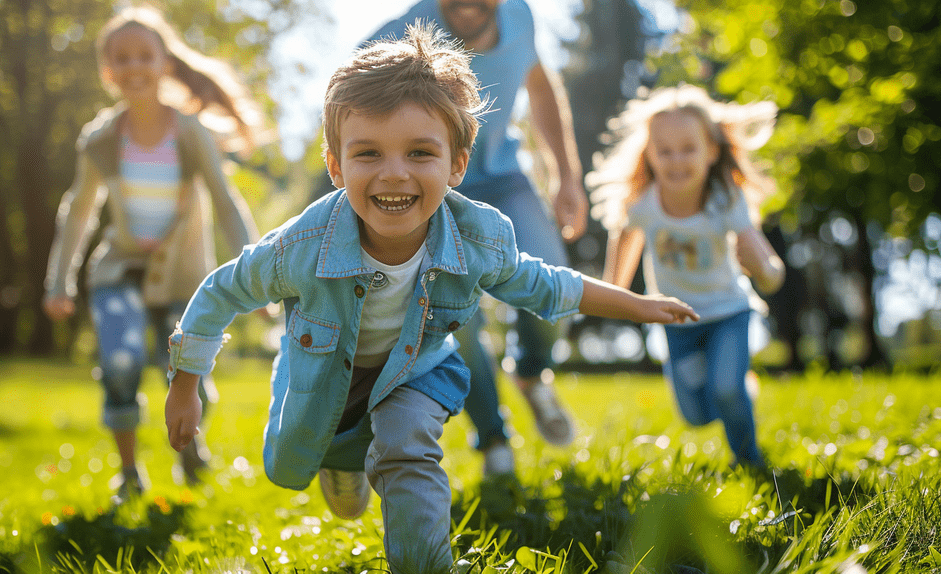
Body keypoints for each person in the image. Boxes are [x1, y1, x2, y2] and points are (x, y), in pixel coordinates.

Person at [165, 25, 697, 573]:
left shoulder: (476, 238)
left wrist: (638, 304)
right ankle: (342, 461)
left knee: (406, 444)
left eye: (420, 152)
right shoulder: (301, 247)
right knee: (341, 489)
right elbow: (222, 290)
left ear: (457, 164)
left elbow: (546, 285)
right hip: (331, 380)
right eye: (368, 153)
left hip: (417, 369)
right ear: (336, 166)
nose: (394, 173)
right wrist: (185, 384)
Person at [42, 5, 262, 499]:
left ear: (165, 63)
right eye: (122, 58)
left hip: (183, 276)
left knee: (189, 375)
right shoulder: (101, 139)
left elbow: (227, 204)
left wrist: (254, 277)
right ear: (108, 71)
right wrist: (59, 282)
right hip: (119, 271)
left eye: (145, 55)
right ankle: (129, 473)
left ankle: (188, 447)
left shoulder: (189, 133)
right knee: (119, 364)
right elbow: (78, 213)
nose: (135, 66)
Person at [367, 0, 590, 478]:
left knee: (554, 280)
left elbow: (539, 85)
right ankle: (493, 440)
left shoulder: (520, 18)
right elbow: (346, 107)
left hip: (504, 177)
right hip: (431, 192)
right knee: (454, 318)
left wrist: (566, 175)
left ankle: (531, 372)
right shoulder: (400, 33)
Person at [595, 84, 785, 469]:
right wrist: (615, 299)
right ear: (649, 154)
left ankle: (749, 461)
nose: (676, 161)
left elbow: (773, 276)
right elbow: (619, 269)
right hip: (677, 321)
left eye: (688, 149)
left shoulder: (725, 199)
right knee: (696, 415)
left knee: (726, 392)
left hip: (729, 312)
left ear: (711, 151)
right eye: (664, 150)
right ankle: (736, 387)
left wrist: (761, 270)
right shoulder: (643, 204)